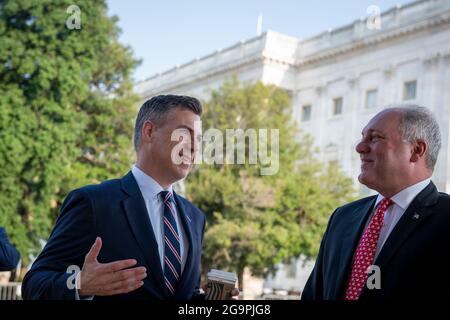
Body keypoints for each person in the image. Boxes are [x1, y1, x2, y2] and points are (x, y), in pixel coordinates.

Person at [23, 95, 223, 300]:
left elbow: (183, 296)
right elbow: (35, 283)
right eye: (185, 134)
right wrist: (80, 286)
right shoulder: (93, 203)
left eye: (198, 139)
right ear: (149, 131)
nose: (194, 147)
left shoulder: (196, 217)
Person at [302, 104, 450, 300]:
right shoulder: (343, 218)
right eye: (363, 138)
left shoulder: (445, 219)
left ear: (416, 150)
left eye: (374, 138)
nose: (359, 148)